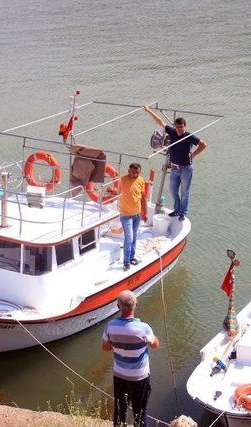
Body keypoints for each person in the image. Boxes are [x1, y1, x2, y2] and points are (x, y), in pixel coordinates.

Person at [102, 290, 159, 427]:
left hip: (120, 375)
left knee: (120, 410)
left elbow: (106, 348)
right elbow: (155, 345)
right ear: (136, 305)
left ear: (118, 306)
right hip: (139, 378)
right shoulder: (144, 328)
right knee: (140, 413)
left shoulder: (110, 326)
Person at [143, 105, 207, 221]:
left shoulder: (188, 136)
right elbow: (160, 122)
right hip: (174, 167)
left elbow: (203, 145)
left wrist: (193, 155)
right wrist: (148, 111)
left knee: (184, 191)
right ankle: (177, 209)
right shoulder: (172, 132)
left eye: (181, 127)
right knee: (173, 190)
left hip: (186, 167)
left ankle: (183, 212)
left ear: (185, 126)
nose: (179, 129)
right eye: (177, 127)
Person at [119, 163, 147, 271]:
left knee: (134, 237)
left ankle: (131, 257)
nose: (135, 175)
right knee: (129, 238)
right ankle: (126, 262)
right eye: (133, 172)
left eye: (137, 173)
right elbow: (112, 190)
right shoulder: (121, 180)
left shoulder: (141, 180)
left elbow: (143, 197)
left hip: (137, 215)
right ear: (128, 171)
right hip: (126, 215)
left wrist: (145, 212)